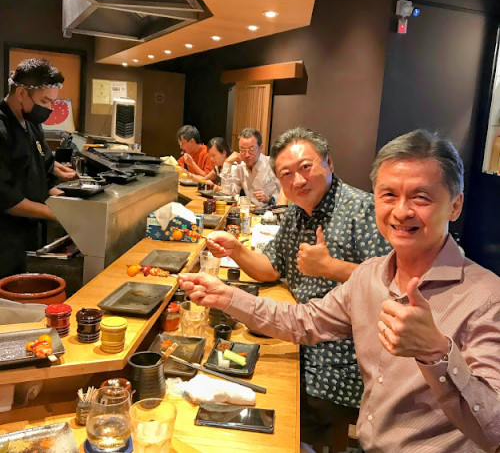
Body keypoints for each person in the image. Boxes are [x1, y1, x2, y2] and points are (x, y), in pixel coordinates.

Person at [180, 129, 500, 453]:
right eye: (389, 195)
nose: (402, 211)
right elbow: (304, 320)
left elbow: (494, 431)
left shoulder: (488, 298)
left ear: (455, 205)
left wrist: (436, 353)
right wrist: (226, 297)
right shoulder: (371, 275)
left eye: (421, 197)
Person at [208, 127, 391, 452]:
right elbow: (271, 267)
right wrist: (236, 249)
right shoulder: (296, 212)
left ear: (329, 163)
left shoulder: (363, 210)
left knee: (268, 404)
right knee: (232, 377)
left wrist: (331, 267)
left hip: (341, 357)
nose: (298, 180)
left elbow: (391, 287)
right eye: (286, 174)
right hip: (297, 333)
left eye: (306, 167)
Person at [0, 58, 65, 278]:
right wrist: (57, 214)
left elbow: (44, 176)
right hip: (5, 239)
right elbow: (7, 199)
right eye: (45, 101)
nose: (49, 108)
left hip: (29, 236)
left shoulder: (32, 124)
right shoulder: (2, 129)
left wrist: (74, 204)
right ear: (21, 93)